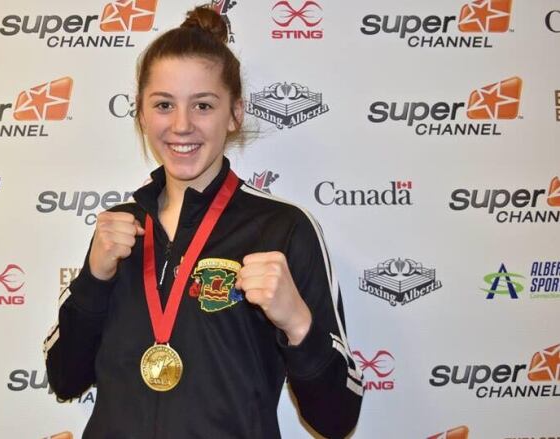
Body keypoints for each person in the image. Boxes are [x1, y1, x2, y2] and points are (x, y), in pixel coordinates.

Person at [44, 6, 363, 439]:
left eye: (203, 105)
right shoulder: (118, 229)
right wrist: (94, 280)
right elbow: (66, 379)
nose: (181, 125)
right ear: (140, 113)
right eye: (163, 105)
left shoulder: (282, 230)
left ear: (235, 113)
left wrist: (298, 323)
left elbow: (337, 419)